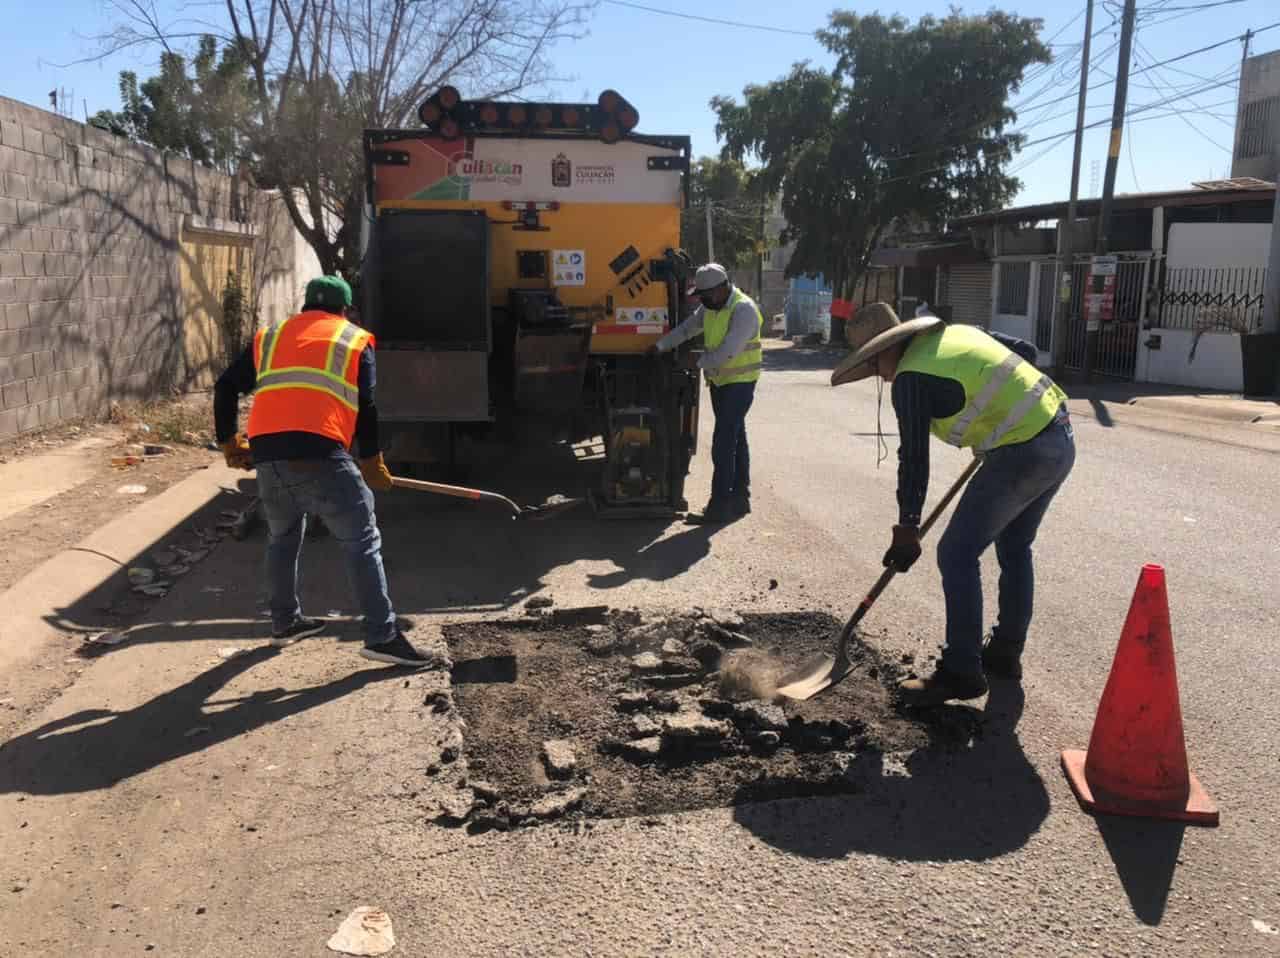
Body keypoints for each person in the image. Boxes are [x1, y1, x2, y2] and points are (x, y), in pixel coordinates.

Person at [831, 303, 1075, 706]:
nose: (879, 373)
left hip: (1024, 451)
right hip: (1059, 434)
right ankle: (1004, 653)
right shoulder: (959, 333)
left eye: (875, 364)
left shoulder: (910, 378)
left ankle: (962, 670)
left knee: (956, 553)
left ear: (889, 348)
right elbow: (1026, 354)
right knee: (1014, 548)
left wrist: (908, 526)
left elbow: (914, 459)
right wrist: (999, 418)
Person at [214, 274, 435, 667]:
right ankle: (382, 636)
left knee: (282, 536)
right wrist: (371, 461)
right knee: (362, 542)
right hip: (320, 455)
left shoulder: (272, 336)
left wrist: (229, 442)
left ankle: (285, 622)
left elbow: (226, 386)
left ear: (305, 306)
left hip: (267, 458)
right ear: (345, 309)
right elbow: (366, 406)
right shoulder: (353, 339)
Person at [649, 263, 763, 524]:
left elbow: (728, 352)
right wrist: (660, 346)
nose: (703, 301)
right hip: (721, 381)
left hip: (740, 382)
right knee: (736, 437)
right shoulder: (711, 307)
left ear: (723, 287)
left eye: (706, 295)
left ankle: (719, 507)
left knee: (723, 442)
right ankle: (740, 497)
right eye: (700, 297)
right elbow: (688, 328)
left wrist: (695, 362)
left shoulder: (743, 309)